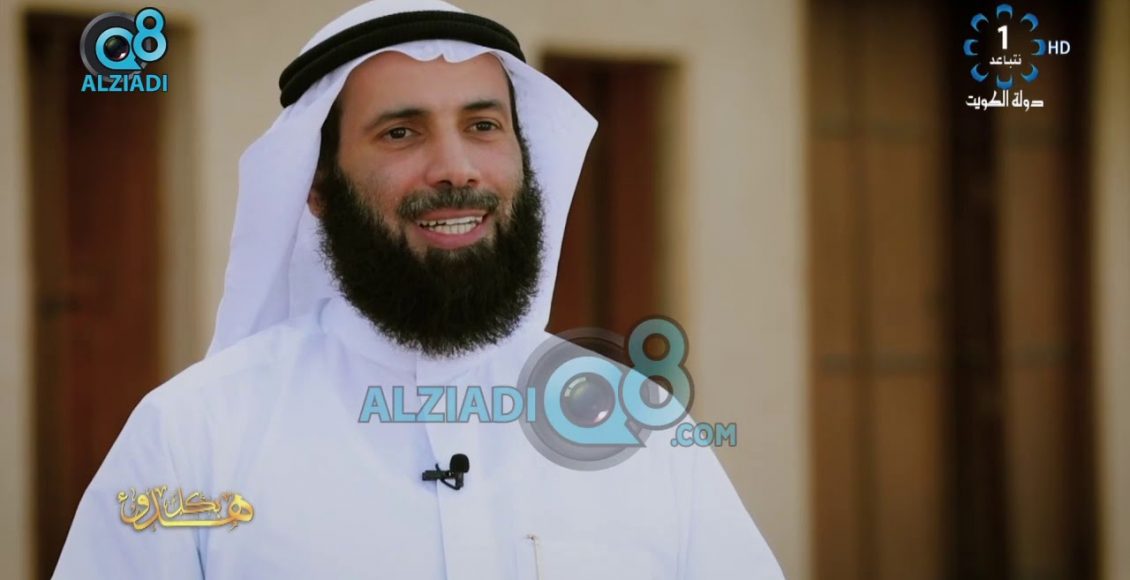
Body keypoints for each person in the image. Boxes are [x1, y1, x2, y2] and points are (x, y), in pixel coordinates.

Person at [53, 1, 786, 578]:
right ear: (317, 187)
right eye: (401, 133)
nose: (455, 168)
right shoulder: (194, 437)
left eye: (483, 125)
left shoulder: (641, 431)